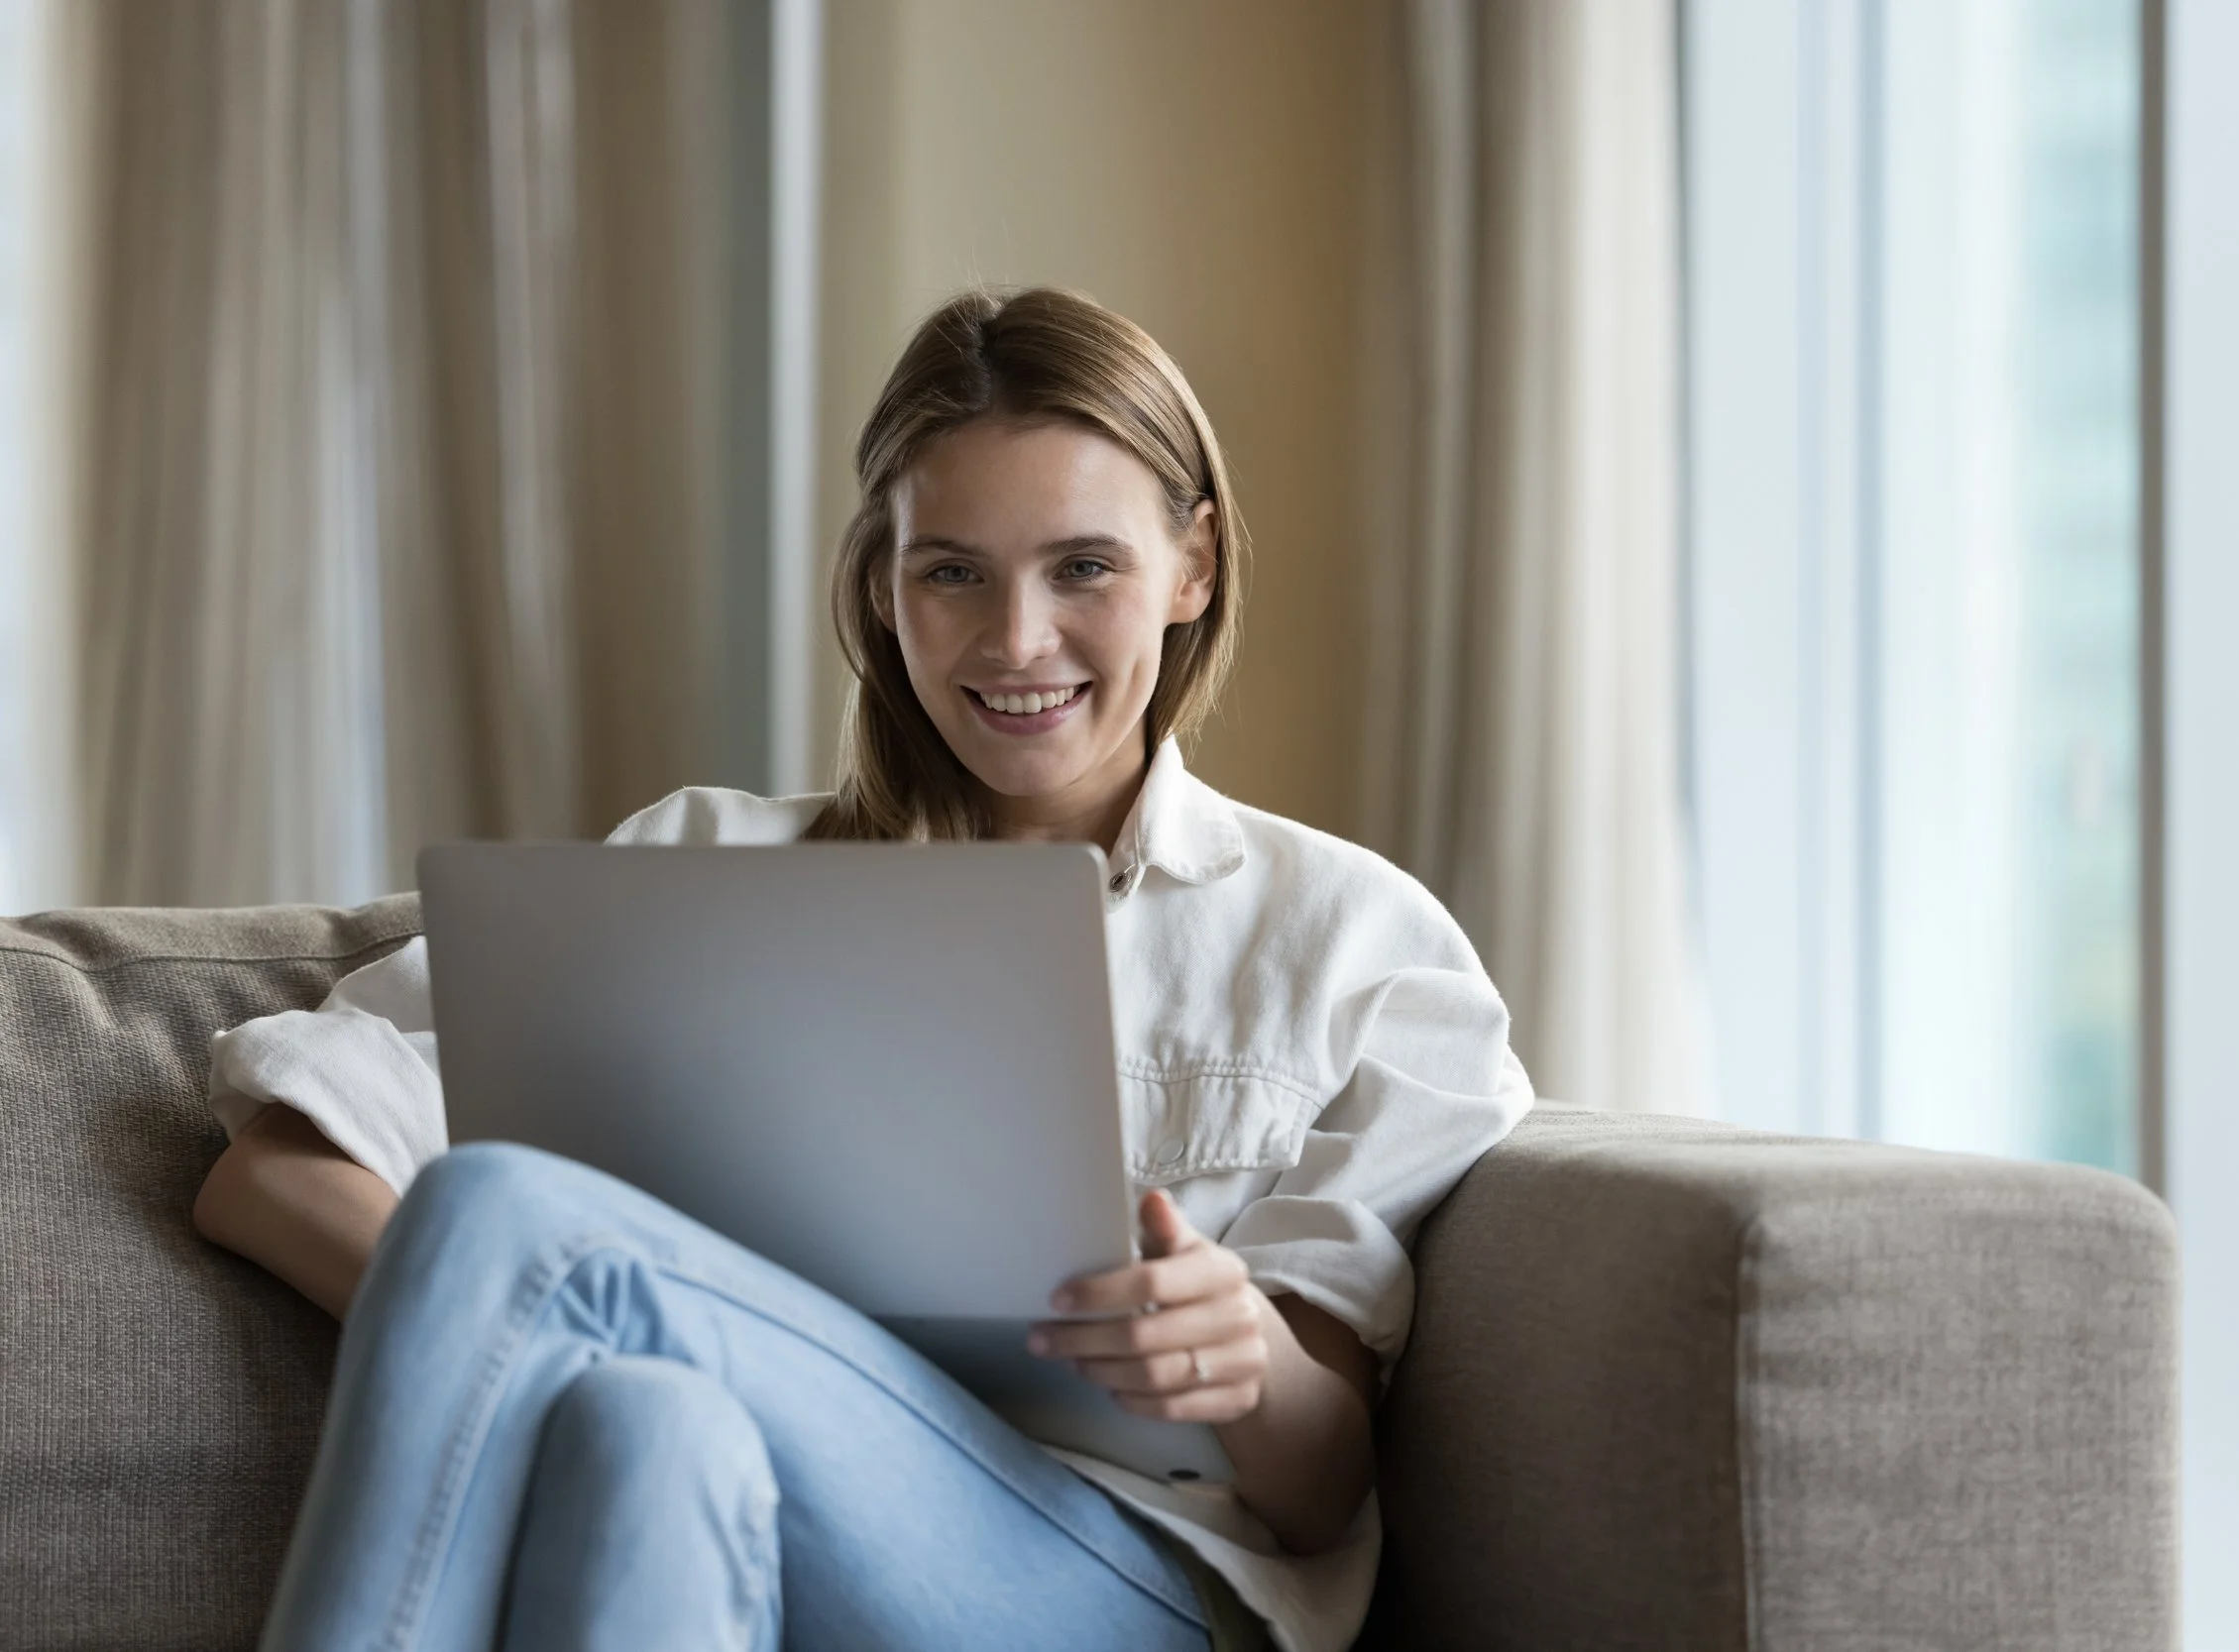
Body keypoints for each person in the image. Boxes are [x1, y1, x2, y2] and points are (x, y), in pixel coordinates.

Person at [191, 286, 1531, 1652]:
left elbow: (1319, 1495)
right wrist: (636, 1326)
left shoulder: (1359, 941)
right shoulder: (696, 866)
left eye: (1083, 567)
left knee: (503, 1215)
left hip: (1119, 1584)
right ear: (880, 589)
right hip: (775, 1499)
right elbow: (272, 1168)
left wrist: (1239, 1356)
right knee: (643, 1418)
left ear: (1193, 566)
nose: (1016, 640)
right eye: (952, 570)